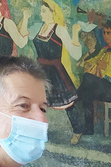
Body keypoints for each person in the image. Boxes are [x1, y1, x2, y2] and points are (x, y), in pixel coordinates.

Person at [69, 20, 111, 143]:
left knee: (88, 78)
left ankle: (74, 98)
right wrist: (88, 64)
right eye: (104, 33)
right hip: (104, 89)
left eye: (108, 33)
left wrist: (106, 68)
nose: (105, 35)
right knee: (88, 93)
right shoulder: (104, 51)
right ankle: (89, 128)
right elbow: (93, 61)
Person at [33, 0, 81, 132]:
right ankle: (39, 129)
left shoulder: (59, 29)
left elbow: (75, 53)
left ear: (52, 12)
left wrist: (75, 34)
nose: (41, 14)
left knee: (67, 103)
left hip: (55, 71)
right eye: (41, 11)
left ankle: (77, 130)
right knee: (38, 103)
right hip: (40, 71)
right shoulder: (40, 27)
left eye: (44, 11)